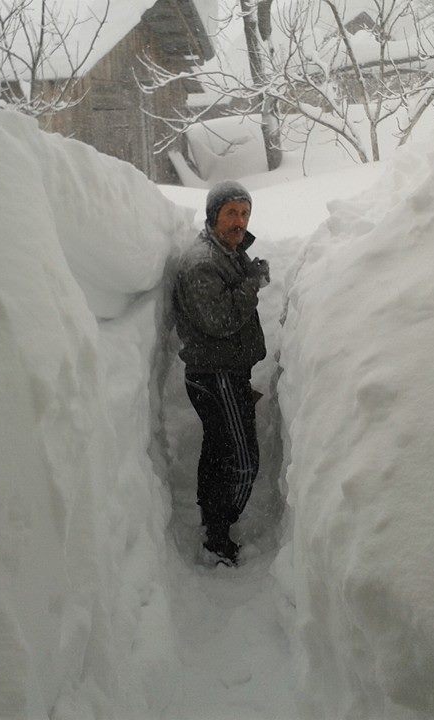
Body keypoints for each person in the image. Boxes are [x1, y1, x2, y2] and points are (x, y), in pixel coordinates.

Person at [173, 180, 270, 565]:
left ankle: (214, 529)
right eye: (231, 213)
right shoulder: (202, 262)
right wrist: (252, 284)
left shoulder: (223, 252)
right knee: (243, 460)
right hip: (217, 374)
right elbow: (219, 318)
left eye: (245, 213)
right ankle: (220, 528)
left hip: (223, 371)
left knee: (217, 452)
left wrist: (247, 269)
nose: (240, 221)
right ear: (213, 215)